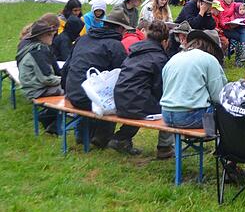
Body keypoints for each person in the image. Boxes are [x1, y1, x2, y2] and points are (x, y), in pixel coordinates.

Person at [63, 10, 130, 147]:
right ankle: (103, 137)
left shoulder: (83, 39)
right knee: (115, 96)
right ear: (120, 28)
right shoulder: (115, 45)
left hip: (72, 91)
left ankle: (82, 135)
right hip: (90, 98)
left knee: (93, 90)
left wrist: (66, 91)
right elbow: (123, 77)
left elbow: (66, 67)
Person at [110, 20, 174, 158]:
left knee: (140, 101)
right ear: (164, 41)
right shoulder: (159, 58)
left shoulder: (135, 50)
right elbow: (159, 88)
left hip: (119, 98)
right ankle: (165, 147)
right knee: (172, 107)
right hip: (136, 102)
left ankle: (121, 138)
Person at [160, 29, 227, 129]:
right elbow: (218, 96)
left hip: (166, 114)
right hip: (190, 116)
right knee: (226, 111)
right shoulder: (209, 59)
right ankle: (224, 142)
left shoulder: (174, 57)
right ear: (212, 48)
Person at [16, 21, 62, 134]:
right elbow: (47, 79)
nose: (53, 36)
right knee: (71, 91)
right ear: (42, 36)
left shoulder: (34, 47)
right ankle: (55, 124)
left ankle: (48, 118)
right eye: (50, 34)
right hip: (36, 90)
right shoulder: (38, 51)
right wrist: (66, 80)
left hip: (32, 86)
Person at [217, 0, 245, 67]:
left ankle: (243, 54)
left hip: (231, 26)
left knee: (243, 29)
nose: (230, 0)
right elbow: (221, 21)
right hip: (223, 28)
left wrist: (241, 5)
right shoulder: (219, 4)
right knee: (242, 36)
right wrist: (229, 24)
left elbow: (236, 5)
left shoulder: (232, 3)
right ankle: (240, 58)